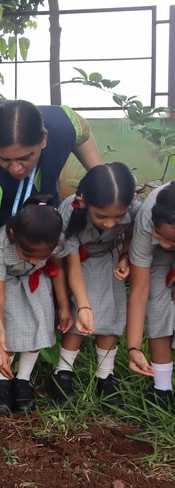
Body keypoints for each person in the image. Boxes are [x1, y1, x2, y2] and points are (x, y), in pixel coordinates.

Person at [0, 100, 103, 381]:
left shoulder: (63, 123)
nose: (15, 168)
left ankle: (38, 339)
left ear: (44, 140)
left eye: (25, 157)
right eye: (5, 159)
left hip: (38, 210)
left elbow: (83, 133)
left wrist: (100, 179)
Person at [0, 195, 93, 415]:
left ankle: (24, 378)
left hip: (37, 281)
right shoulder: (3, 241)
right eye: (28, 254)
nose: (35, 260)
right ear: (15, 236)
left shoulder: (57, 239)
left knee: (39, 323)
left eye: (41, 255)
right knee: (11, 325)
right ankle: (0, 379)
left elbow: (58, 268)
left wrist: (64, 305)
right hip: (7, 283)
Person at [48, 163, 139, 408]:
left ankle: (105, 376)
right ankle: (62, 373)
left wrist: (126, 255)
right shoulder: (69, 210)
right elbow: (72, 263)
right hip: (77, 260)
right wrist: (84, 305)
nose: (110, 224)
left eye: (117, 217)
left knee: (111, 313)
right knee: (80, 314)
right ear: (85, 202)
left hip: (109, 257)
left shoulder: (133, 206)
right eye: (102, 216)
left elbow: (133, 230)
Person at [126, 181, 175, 407]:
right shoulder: (149, 217)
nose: (164, 243)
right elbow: (139, 289)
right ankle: (162, 389)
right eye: (160, 234)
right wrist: (133, 347)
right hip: (154, 258)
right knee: (158, 303)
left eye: (171, 240)